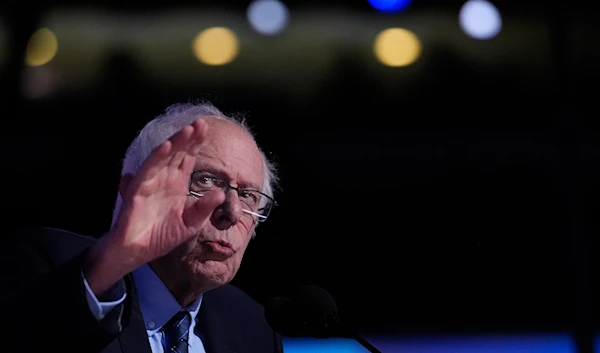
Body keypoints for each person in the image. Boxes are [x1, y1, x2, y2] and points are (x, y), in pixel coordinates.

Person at [0, 102, 284, 353]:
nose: (232, 212)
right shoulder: (48, 262)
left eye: (248, 195)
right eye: (207, 181)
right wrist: (114, 259)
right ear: (135, 190)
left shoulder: (253, 328)